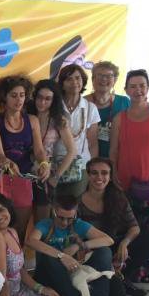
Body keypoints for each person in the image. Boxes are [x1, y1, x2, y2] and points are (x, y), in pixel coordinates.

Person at [110, 69, 149, 281]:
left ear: (148, 87)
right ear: (126, 89)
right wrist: (114, 175)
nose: (138, 90)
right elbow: (113, 151)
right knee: (131, 226)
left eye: (142, 85)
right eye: (133, 86)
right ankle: (131, 269)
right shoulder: (120, 117)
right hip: (126, 183)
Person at [26, 195, 115, 296]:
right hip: (51, 274)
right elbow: (30, 241)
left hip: (73, 272)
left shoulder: (78, 224)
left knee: (105, 252)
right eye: (61, 218)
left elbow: (108, 240)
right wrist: (61, 255)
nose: (65, 223)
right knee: (48, 257)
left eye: (70, 219)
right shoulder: (46, 224)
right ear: (54, 211)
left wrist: (80, 245)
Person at [0, 75, 50, 242]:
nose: (19, 100)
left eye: (22, 95)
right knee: (1, 225)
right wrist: (7, 163)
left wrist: (44, 164)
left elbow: (39, 150)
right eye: (14, 95)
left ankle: (18, 259)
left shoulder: (32, 120)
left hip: (24, 178)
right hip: (2, 178)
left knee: (21, 228)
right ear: (4, 98)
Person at [79, 158, 149, 296]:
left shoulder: (118, 197)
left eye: (104, 173)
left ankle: (124, 276)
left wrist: (125, 242)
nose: (99, 177)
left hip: (115, 245)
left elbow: (134, 227)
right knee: (116, 295)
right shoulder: (78, 203)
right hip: (94, 251)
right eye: (94, 173)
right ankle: (115, 281)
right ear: (88, 175)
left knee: (148, 240)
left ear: (110, 176)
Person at [27, 79, 76, 222]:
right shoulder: (26, 115)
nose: (42, 102)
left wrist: (56, 177)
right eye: (40, 98)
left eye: (47, 99)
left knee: (42, 217)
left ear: (54, 100)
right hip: (22, 170)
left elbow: (72, 151)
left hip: (44, 173)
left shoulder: (59, 119)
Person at [54, 64, 101, 198]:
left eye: (78, 78)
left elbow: (92, 143)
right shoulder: (54, 106)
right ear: (62, 84)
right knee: (54, 207)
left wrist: (93, 168)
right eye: (69, 79)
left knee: (74, 206)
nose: (74, 82)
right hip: (55, 164)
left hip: (80, 166)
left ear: (83, 81)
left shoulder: (90, 108)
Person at [85, 61, 130, 158]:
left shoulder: (124, 102)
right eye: (100, 75)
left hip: (118, 159)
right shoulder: (83, 103)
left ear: (115, 80)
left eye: (109, 76)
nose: (104, 79)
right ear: (93, 79)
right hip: (87, 159)